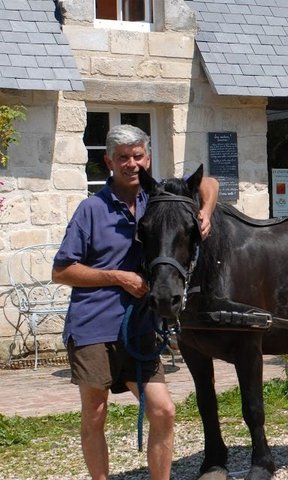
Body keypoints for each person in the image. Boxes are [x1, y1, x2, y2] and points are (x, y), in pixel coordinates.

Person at [51, 124, 219, 480]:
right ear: (108, 162)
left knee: (164, 411)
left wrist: (206, 211)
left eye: (137, 156)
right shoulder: (90, 210)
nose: (131, 164)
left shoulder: (155, 200)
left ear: (148, 158)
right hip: (94, 325)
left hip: (140, 328)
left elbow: (208, 182)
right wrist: (117, 276)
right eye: (123, 158)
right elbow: (62, 271)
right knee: (95, 414)